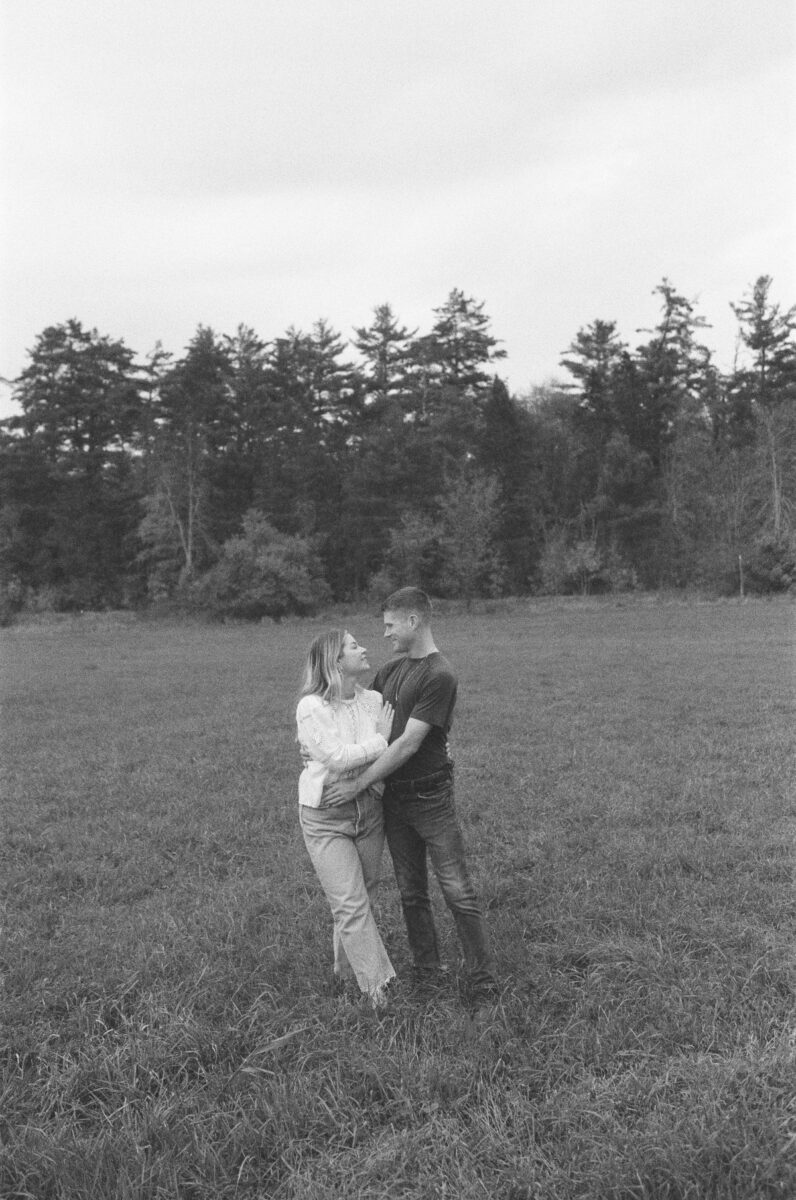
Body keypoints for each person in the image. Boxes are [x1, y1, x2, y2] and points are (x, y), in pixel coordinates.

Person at [325, 587, 497, 1005]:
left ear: (413, 622)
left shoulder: (440, 674)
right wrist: (315, 735)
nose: (385, 635)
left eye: (389, 625)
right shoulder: (391, 671)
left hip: (431, 799)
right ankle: (428, 973)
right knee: (411, 892)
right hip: (395, 800)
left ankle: (483, 980)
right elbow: (351, 706)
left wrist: (358, 783)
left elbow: (405, 745)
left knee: (456, 890)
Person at [296, 628, 396, 1009]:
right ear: (336, 661)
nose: (364, 648)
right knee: (350, 903)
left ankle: (345, 973)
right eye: (354, 646)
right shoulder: (311, 708)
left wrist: (377, 750)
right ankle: (376, 990)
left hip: (369, 809)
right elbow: (337, 758)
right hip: (324, 815)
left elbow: (375, 759)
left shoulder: (373, 701)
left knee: (362, 898)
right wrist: (379, 742)